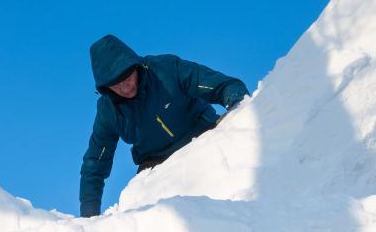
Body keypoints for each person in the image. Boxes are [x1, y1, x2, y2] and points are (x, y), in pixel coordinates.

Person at [78, 34, 250, 217]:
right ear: (106, 88)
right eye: (116, 86)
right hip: (157, 162)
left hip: (204, 134)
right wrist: (89, 217)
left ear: (135, 67)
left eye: (127, 78)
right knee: (146, 215)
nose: (125, 88)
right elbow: (95, 165)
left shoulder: (166, 70)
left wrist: (239, 110)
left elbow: (225, 86)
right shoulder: (108, 110)